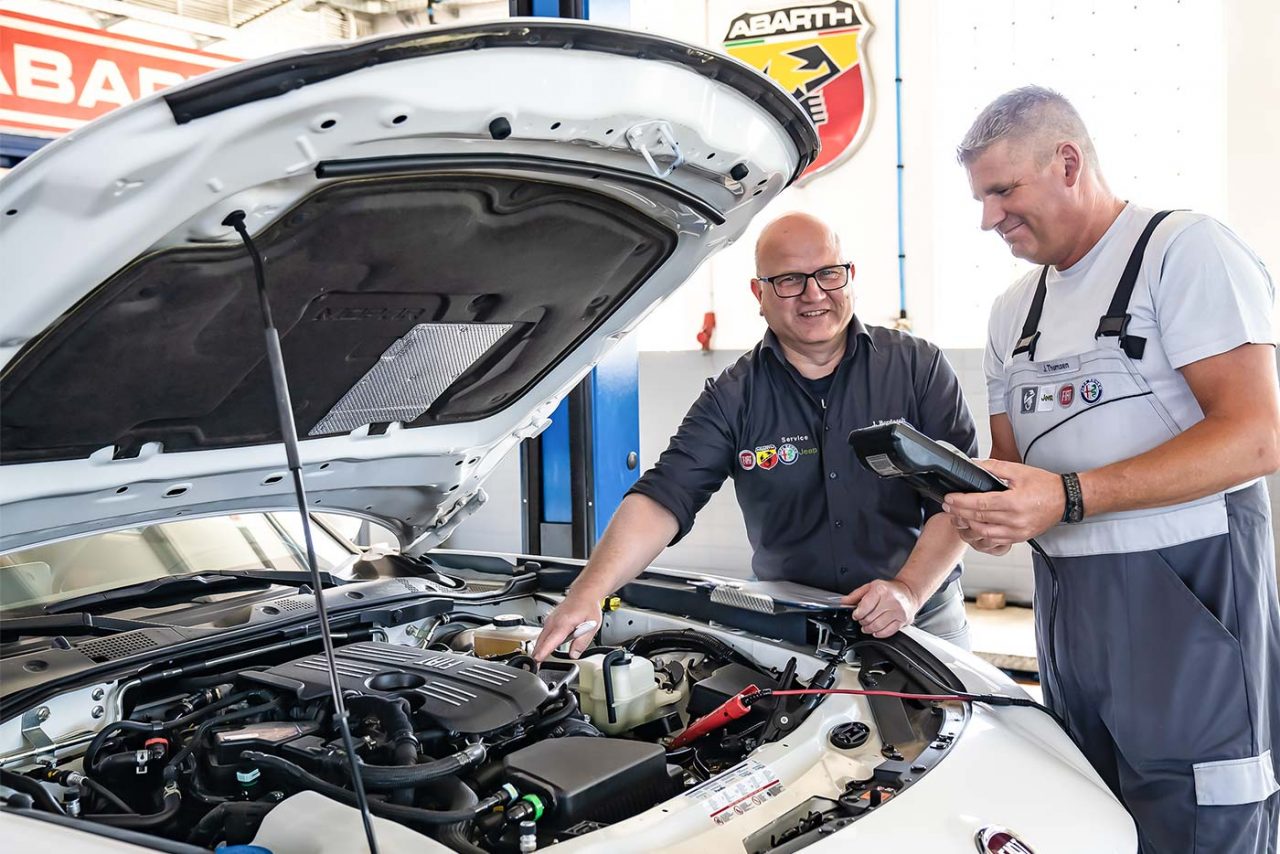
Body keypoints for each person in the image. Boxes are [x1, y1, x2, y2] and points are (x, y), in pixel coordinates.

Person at [945, 85, 1280, 853]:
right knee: (1089, 822)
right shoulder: (1011, 312)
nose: (989, 218)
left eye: (1003, 191)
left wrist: (1067, 496)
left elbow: (1257, 438)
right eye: (981, 197)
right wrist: (990, 512)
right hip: (1071, 620)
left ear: (1067, 163)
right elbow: (1014, 469)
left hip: (1189, 609)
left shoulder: (1184, 252)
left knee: (1206, 820)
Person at [533, 212, 977, 662]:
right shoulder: (733, 397)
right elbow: (664, 496)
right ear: (758, 293)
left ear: (850, 276)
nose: (814, 294)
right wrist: (587, 591)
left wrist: (908, 589)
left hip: (924, 617)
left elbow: (959, 499)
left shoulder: (918, 368)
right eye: (789, 280)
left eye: (828, 273)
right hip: (796, 630)